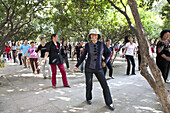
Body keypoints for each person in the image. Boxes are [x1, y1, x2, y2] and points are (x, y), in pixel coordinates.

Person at [73, 28, 114, 111]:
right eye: (92, 35)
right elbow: (83, 56)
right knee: (89, 84)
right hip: (88, 68)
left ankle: (109, 102)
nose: (93, 36)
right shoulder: (87, 45)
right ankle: (88, 98)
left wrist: (105, 61)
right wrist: (77, 65)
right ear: (90, 36)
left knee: (105, 85)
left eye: (95, 35)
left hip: (99, 68)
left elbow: (109, 53)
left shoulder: (102, 44)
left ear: (98, 36)